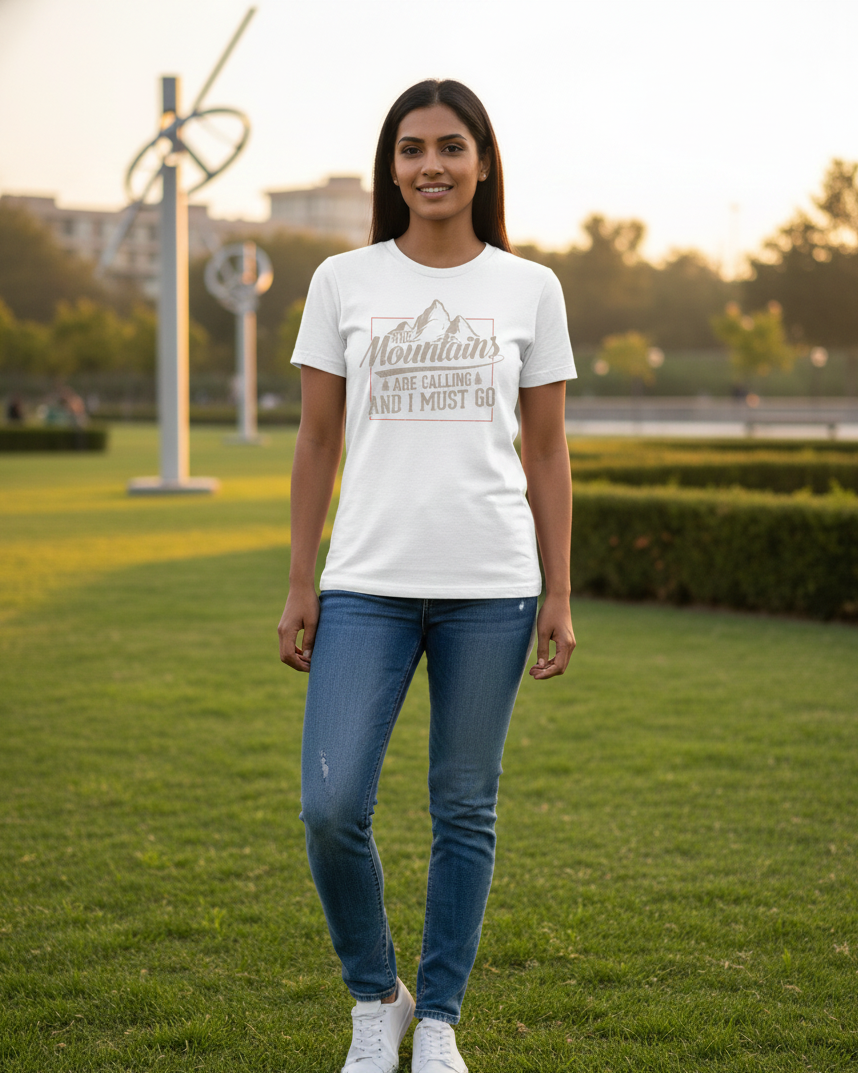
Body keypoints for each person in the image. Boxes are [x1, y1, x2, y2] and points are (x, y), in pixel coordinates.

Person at [278, 78, 577, 1073]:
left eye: (452, 146)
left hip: (493, 585)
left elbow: (548, 455)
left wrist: (560, 593)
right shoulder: (342, 279)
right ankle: (380, 995)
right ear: (391, 166)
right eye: (412, 148)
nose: (432, 165)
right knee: (331, 803)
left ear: (483, 161)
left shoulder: (530, 286)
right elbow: (317, 442)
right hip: (366, 579)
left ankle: (439, 1014)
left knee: (463, 805)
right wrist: (300, 580)